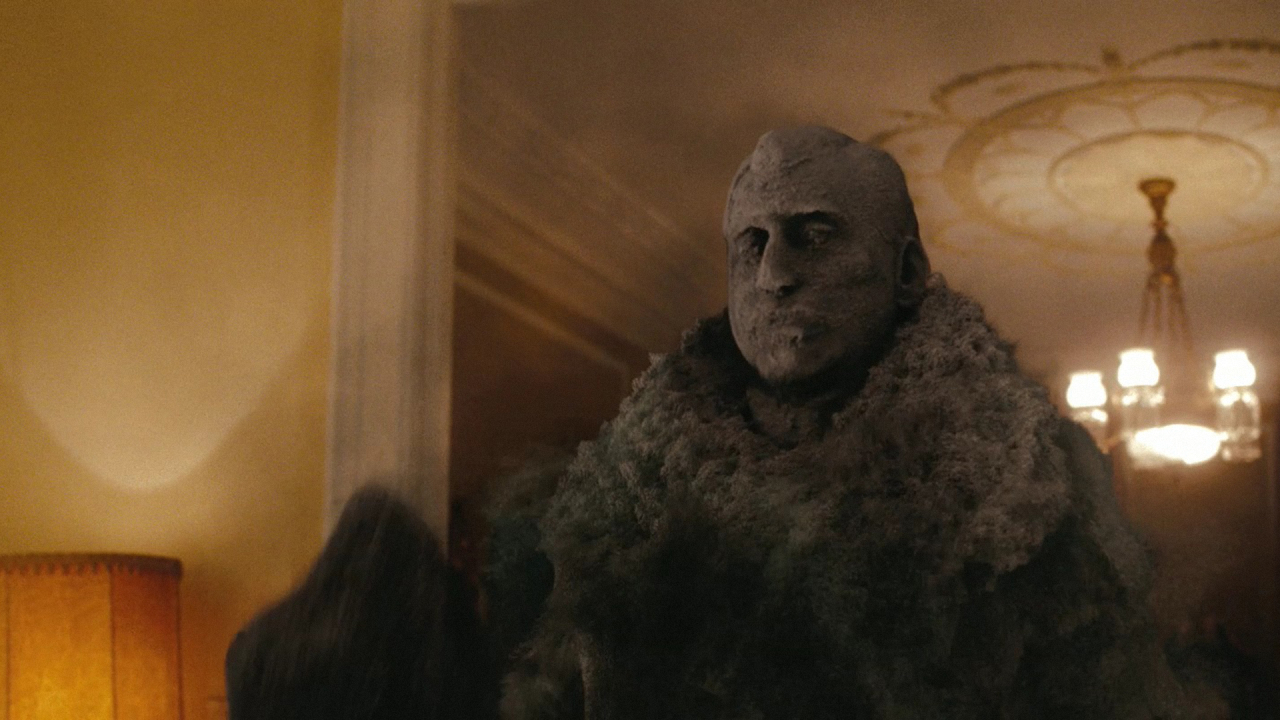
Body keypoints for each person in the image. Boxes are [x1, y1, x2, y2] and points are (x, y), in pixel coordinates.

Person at [228, 126, 1218, 719]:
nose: (774, 272)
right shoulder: (602, 518)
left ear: (909, 273)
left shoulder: (1032, 496)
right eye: (750, 243)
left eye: (813, 235)